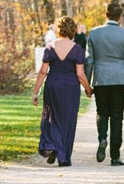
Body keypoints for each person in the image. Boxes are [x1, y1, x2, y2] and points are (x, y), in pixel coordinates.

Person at [32, 16, 93, 167]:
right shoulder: (77, 49)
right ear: (73, 30)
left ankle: (52, 145)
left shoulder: (50, 47)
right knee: (68, 120)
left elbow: (43, 72)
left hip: (53, 85)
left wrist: (35, 92)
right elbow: (80, 74)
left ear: (59, 30)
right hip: (70, 87)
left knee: (51, 117)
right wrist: (88, 89)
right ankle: (63, 156)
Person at [85, 2, 124, 167]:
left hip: (101, 79)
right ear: (120, 17)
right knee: (117, 116)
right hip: (120, 79)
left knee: (102, 112)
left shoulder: (94, 33)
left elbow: (90, 60)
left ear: (106, 14)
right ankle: (115, 156)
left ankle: (102, 138)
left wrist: (87, 83)